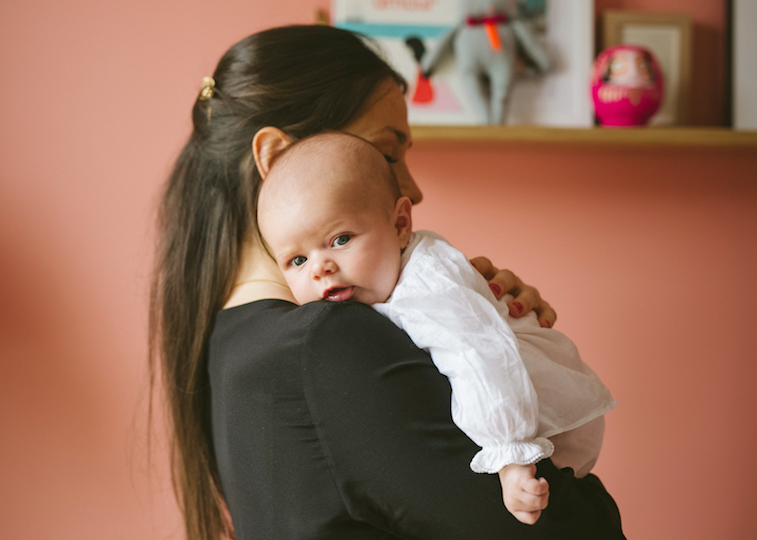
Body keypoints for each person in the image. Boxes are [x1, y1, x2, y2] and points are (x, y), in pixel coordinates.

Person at [149, 24, 625, 540]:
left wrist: (501, 336)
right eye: (387, 153)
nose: (414, 191)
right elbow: (570, 527)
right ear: (276, 158)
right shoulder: (330, 341)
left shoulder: (231, 342)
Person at [257, 131, 618, 525]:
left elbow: (481, 357)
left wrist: (511, 456)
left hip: (549, 424)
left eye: (340, 239)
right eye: (296, 261)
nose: (319, 267)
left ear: (399, 224)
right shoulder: (368, 291)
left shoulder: (428, 283)